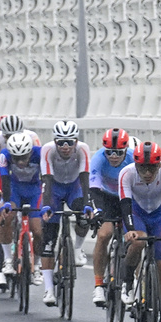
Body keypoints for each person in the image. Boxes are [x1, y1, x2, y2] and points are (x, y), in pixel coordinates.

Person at [117, 142, 161, 322]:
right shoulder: (126, 173)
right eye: (143, 168)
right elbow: (125, 204)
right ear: (136, 165)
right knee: (138, 241)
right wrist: (130, 230)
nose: (147, 173)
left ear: (159, 165)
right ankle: (128, 281)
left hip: (160, 217)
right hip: (136, 215)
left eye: (152, 168)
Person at [40, 121, 92, 301]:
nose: (65, 146)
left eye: (69, 142)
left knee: (84, 217)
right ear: (55, 141)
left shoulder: (83, 149)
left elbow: (85, 179)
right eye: (61, 142)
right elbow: (46, 180)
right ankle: (48, 289)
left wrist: (87, 204)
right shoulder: (47, 150)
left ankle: (77, 249)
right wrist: (47, 206)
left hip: (74, 188)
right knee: (48, 241)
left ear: (76, 142)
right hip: (53, 189)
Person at [88, 128, 134, 305]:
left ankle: (133, 284)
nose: (113, 156)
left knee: (134, 241)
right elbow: (94, 189)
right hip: (106, 197)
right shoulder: (98, 158)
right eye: (109, 152)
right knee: (104, 235)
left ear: (126, 150)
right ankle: (99, 285)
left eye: (118, 153)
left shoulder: (132, 158)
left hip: (128, 197)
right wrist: (97, 211)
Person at [0, 132, 44, 289]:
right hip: (15, 190)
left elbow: (47, 177)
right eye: (16, 159)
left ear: (30, 152)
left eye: (24, 157)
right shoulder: (4, 155)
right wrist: (6, 203)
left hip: (34, 191)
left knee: (37, 230)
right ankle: (8, 260)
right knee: (7, 217)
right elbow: (4, 180)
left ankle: (37, 266)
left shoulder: (40, 153)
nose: (21, 162)